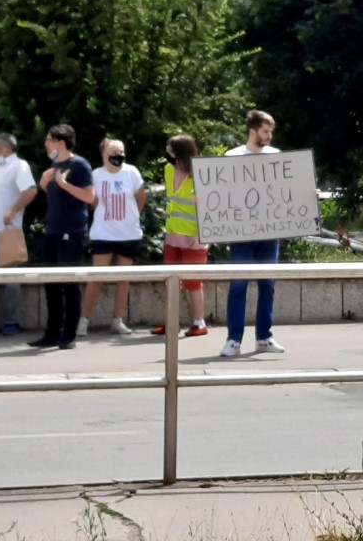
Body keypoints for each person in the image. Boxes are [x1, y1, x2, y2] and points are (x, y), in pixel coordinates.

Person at [220, 110, 285, 357]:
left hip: (269, 231)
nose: (269, 136)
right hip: (242, 233)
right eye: (266, 131)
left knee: (268, 285)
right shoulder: (232, 157)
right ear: (253, 131)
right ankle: (233, 340)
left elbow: (284, 190)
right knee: (238, 285)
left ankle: (264, 337)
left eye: (270, 132)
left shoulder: (276, 156)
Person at [30, 124, 95, 350]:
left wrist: (64, 184)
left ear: (60, 141)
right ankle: (51, 333)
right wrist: (44, 185)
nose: (46, 144)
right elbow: (59, 197)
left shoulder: (79, 165)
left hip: (72, 231)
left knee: (69, 284)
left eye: (49, 140)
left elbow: (89, 197)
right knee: (51, 284)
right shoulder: (55, 165)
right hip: (52, 230)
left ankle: (69, 336)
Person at [80, 137, 146, 336]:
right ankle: (83, 320)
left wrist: (131, 219)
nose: (118, 155)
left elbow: (141, 199)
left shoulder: (131, 172)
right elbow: (93, 202)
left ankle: (118, 320)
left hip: (128, 233)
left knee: (124, 278)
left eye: (121, 151)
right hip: (103, 233)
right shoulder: (96, 175)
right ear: (104, 154)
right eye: (114, 152)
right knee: (97, 277)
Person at [0, 132, 37, 336]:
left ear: (8, 147)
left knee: (11, 279)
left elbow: (30, 191)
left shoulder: (19, 166)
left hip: (7, 230)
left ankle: (10, 322)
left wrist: (12, 211)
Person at [156, 133, 210, 338]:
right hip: (173, 234)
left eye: (171, 148)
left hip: (193, 237)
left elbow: (209, 208)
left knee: (193, 282)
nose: (167, 152)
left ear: (180, 151)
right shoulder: (169, 169)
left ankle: (199, 322)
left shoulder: (199, 173)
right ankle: (172, 322)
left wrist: (202, 237)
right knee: (170, 280)